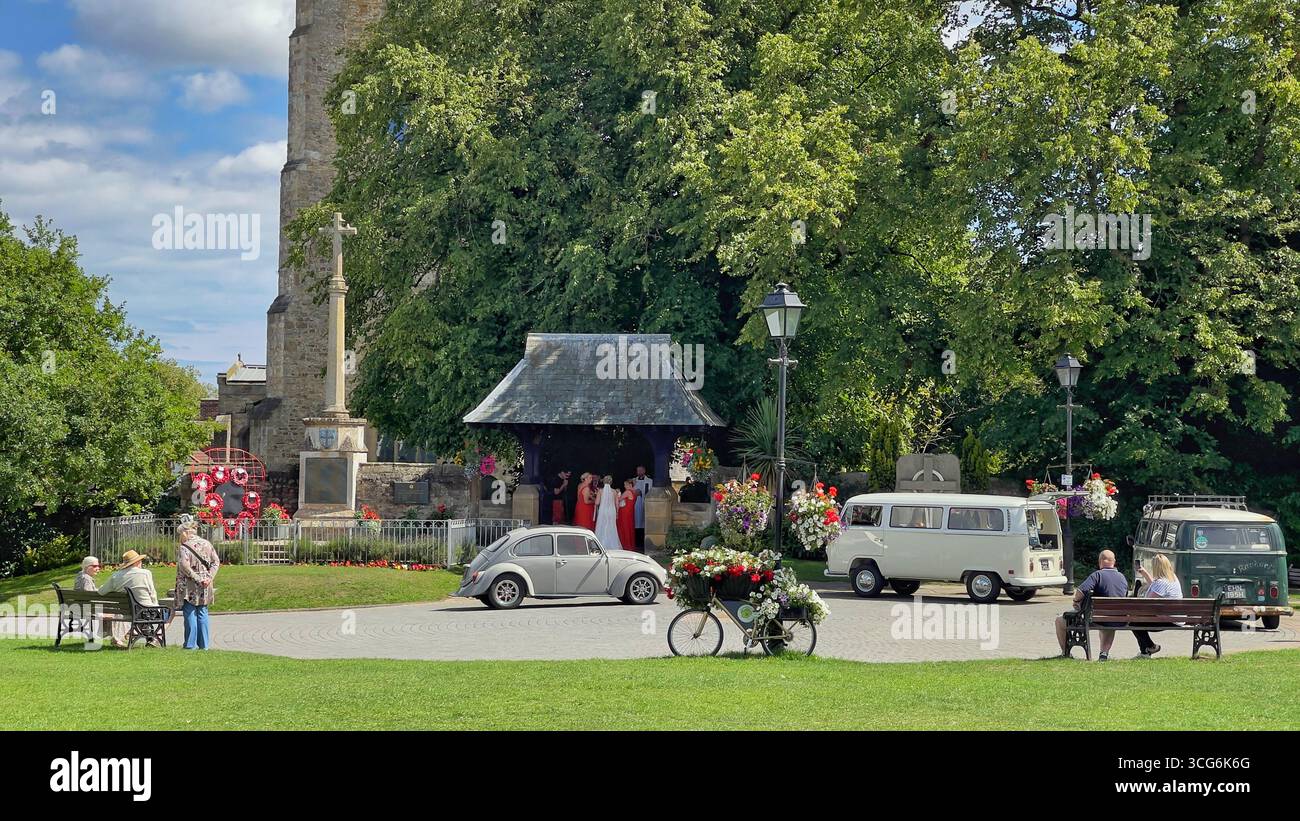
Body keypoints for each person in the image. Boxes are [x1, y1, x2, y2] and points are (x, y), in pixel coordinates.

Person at [1055, 549, 1129, 660]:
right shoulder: (1122, 578)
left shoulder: (1097, 575)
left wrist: (1076, 602)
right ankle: (1104, 653)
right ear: (1114, 561)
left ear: (1100, 562)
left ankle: (1065, 653)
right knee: (1109, 622)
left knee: (1059, 620)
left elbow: (1080, 592)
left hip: (1097, 618)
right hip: (1118, 619)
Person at [99, 550, 159, 648]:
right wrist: (157, 607)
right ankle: (153, 638)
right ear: (136, 562)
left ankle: (151, 638)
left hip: (124, 612)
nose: (141, 563)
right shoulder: (145, 573)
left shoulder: (116, 576)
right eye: (140, 561)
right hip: (145, 612)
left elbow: (101, 591)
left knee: (139, 609)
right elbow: (152, 594)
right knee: (165, 612)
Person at [175, 523, 220, 650]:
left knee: (190, 612)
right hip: (205, 584)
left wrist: (198, 579)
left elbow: (185, 566)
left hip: (189, 585)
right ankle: (204, 645)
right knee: (202, 611)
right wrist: (209, 577)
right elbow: (215, 562)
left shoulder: (184, 547)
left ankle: (190, 644)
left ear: (185, 533)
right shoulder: (207, 544)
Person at [1133, 553, 1181, 657]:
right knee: (1136, 621)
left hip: (1167, 619)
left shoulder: (1161, 583)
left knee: (1134, 622)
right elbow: (1156, 588)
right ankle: (1148, 650)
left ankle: (1149, 649)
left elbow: (1147, 602)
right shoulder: (1173, 578)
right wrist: (1145, 574)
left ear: (1155, 567)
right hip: (1175, 617)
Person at [594, 475, 622, 550]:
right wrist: (617, 513)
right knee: (612, 526)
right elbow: (617, 504)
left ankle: (601, 544)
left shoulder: (600, 491)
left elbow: (597, 503)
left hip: (603, 510)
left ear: (603, 482)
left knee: (602, 525)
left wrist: (596, 496)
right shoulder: (614, 491)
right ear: (611, 482)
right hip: (611, 511)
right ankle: (612, 544)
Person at [632, 466, 652, 549]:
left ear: (644, 471)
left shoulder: (649, 481)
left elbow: (650, 491)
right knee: (636, 521)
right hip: (635, 504)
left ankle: (643, 543)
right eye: (638, 471)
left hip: (644, 503)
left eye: (641, 470)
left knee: (643, 522)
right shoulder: (634, 480)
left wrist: (642, 493)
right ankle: (636, 542)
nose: (639, 472)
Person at [617, 479, 638, 552]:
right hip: (630, 512)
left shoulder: (628, 492)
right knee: (629, 527)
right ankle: (630, 545)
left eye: (625, 485)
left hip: (625, 512)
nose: (624, 486)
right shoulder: (635, 491)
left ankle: (626, 545)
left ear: (630, 485)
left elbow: (619, 499)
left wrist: (617, 493)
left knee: (624, 527)